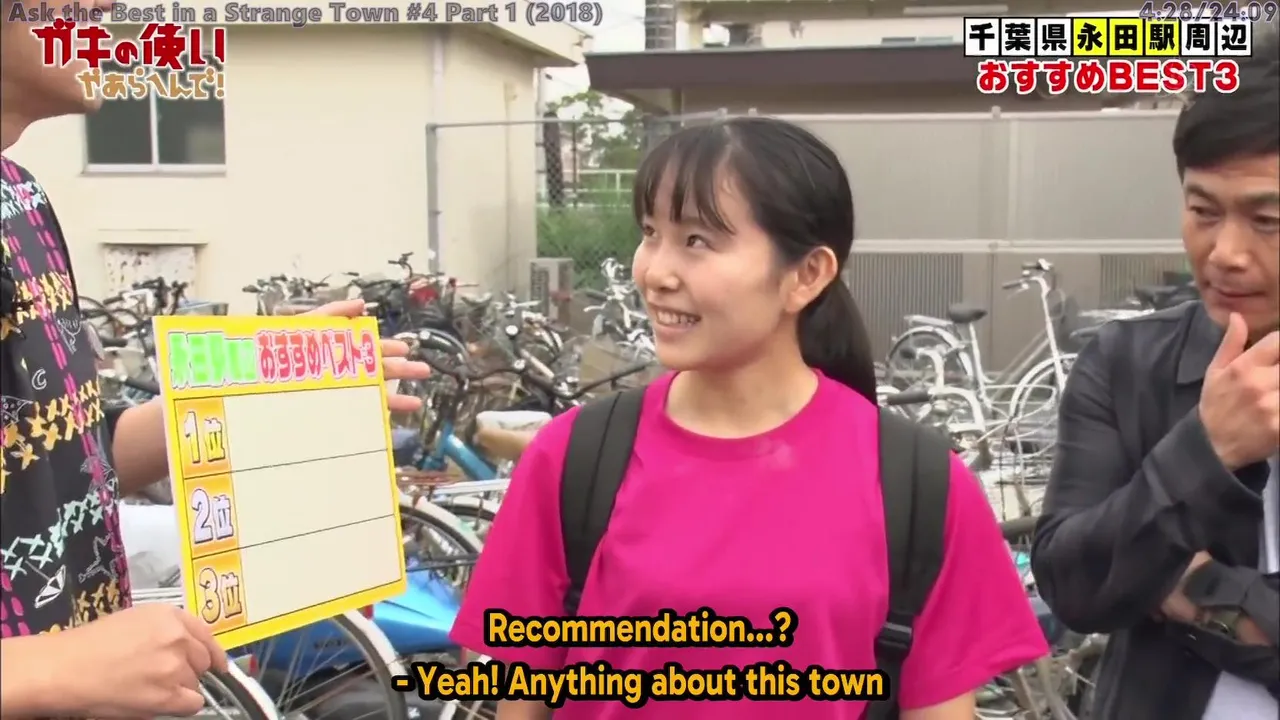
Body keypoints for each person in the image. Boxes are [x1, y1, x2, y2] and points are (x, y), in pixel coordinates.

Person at [449, 116, 1048, 719]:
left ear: (806, 275)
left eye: (697, 241)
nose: (655, 272)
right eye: (651, 233)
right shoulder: (575, 459)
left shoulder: (920, 485)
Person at [0, 5, 431, 716]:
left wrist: (263, 391)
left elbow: (61, 459)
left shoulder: (19, 195)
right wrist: (43, 668)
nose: (108, 10)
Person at [1030, 56, 1279, 720]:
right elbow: (1073, 584)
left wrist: (1194, 590)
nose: (1224, 253)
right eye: (1203, 210)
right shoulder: (1127, 364)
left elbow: (1122, 566)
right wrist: (1207, 450)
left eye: (1267, 220)